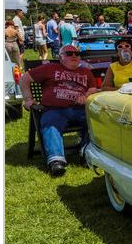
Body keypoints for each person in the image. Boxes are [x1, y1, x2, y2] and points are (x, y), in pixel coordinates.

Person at [18, 44, 98, 176]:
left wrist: (86, 96)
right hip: (55, 110)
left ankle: (86, 153)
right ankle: (56, 161)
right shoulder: (50, 68)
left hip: (80, 110)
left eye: (76, 54)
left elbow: (93, 89)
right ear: (60, 57)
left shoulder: (86, 72)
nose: (74, 56)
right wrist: (28, 99)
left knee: (96, 121)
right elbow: (24, 79)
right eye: (69, 53)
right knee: (51, 121)